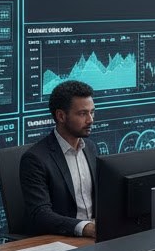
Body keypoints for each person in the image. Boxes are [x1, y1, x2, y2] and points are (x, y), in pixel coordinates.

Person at [20, 80, 99, 237]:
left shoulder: (90, 148)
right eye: (83, 114)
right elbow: (41, 215)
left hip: (96, 237)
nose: (90, 120)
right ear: (61, 116)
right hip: (63, 239)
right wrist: (86, 228)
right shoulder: (35, 159)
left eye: (92, 112)